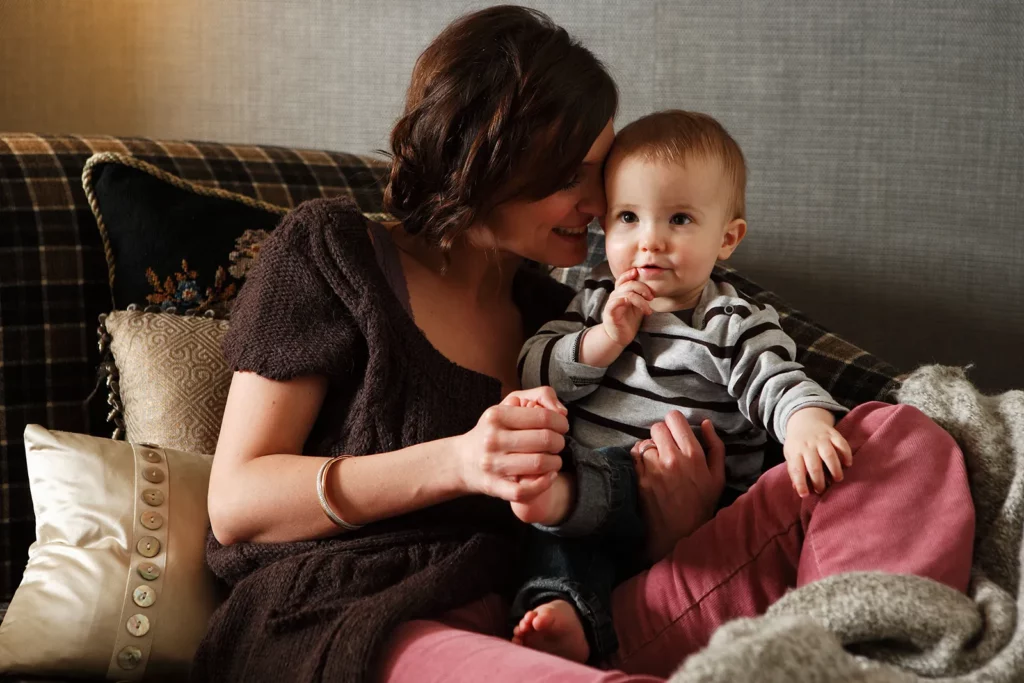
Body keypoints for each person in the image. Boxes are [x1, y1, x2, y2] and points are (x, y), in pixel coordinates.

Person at [191, 6, 976, 683]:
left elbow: (592, 510)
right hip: (355, 620)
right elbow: (237, 504)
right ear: (489, 155)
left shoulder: (567, 309)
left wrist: (677, 527)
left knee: (895, 437)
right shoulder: (333, 254)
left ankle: (854, 657)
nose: (603, 207)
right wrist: (459, 461)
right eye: (579, 173)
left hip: (565, 609)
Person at [510, 110, 854, 665]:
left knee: (584, 483)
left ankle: (567, 500)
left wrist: (806, 423)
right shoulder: (596, 300)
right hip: (587, 521)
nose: (650, 242)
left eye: (679, 219)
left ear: (727, 238)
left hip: (694, 523)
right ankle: (567, 616)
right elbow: (533, 369)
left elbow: (775, 378)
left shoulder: (728, 322)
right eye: (628, 217)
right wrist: (604, 339)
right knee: (560, 555)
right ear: (605, 226)